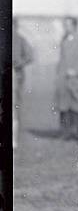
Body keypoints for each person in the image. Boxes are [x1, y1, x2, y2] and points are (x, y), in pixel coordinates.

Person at [55, 16, 78, 141]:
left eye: (68, 25)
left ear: (75, 26)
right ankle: (65, 134)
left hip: (77, 80)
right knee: (64, 107)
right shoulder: (64, 42)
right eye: (64, 25)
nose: (66, 28)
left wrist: (77, 72)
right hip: (64, 80)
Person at [12, 17, 34, 148]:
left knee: (14, 105)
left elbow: (30, 56)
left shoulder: (20, 40)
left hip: (16, 75)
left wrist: (19, 64)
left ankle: (14, 139)